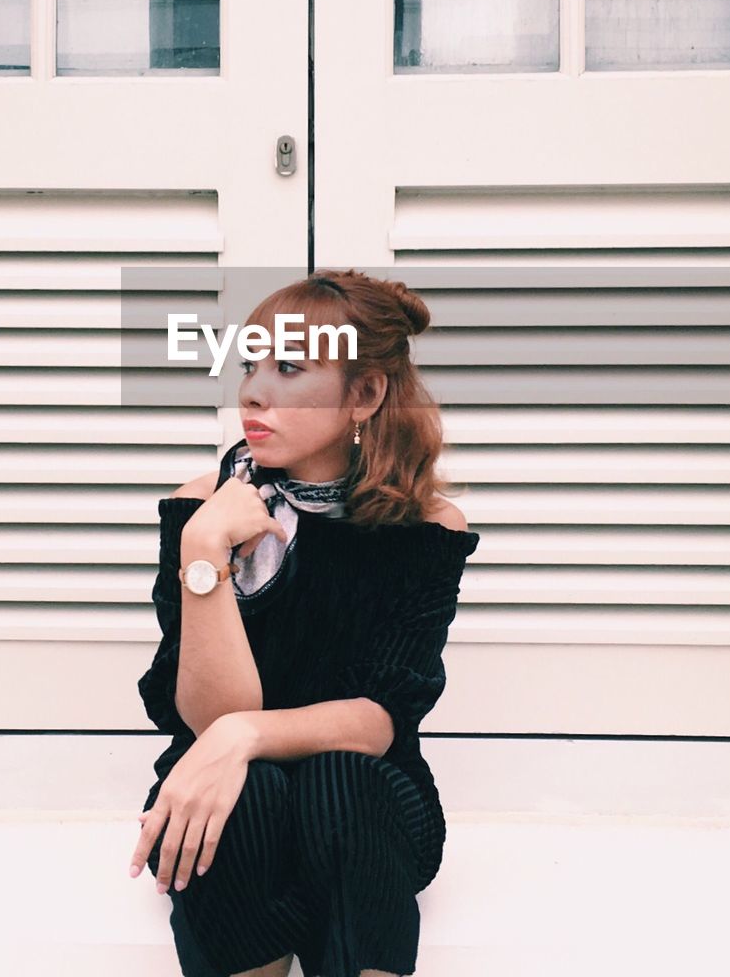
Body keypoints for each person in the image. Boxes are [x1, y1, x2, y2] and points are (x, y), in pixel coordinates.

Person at [127, 269, 480, 977]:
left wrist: (245, 733)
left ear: (365, 395)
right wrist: (205, 552)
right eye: (251, 364)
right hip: (227, 795)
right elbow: (209, 717)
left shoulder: (425, 529)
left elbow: (378, 719)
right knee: (248, 793)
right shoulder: (201, 509)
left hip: (366, 803)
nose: (254, 391)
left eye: (289, 368)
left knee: (341, 778)